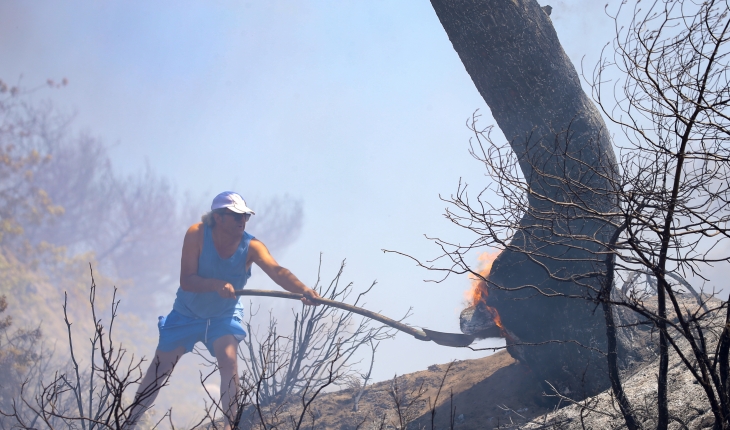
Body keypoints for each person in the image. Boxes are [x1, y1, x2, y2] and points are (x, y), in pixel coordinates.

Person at [126, 191, 320, 429]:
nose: (243, 221)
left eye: (245, 217)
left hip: (223, 317)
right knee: (159, 371)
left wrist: (302, 290)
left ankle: (230, 426)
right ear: (219, 217)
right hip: (186, 314)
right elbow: (187, 280)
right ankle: (127, 423)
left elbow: (277, 271)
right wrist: (215, 285)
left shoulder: (253, 246)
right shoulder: (196, 234)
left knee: (228, 361)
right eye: (237, 216)